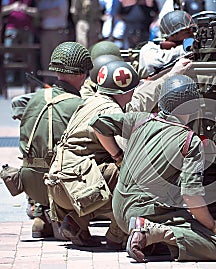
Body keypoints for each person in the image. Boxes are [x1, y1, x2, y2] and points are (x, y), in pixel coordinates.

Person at [45, 57, 193, 248]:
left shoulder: (92, 101)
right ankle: (118, 235)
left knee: (117, 174)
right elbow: (127, 150)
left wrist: (171, 74)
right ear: (123, 91)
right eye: (132, 90)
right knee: (137, 177)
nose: (133, 93)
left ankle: (77, 222)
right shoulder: (111, 109)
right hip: (76, 186)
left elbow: (136, 103)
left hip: (60, 185)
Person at [90, 74, 216, 262]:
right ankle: (149, 231)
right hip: (145, 213)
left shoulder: (140, 120)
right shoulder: (190, 141)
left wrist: (118, 157)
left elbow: (99, 124)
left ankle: (146, 236)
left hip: (119, 211)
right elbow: (191, 196)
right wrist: (214, 226)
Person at [0, 41, 93, 239]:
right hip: (60, 186)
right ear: (82, 74)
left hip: (30, 183)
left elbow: (18, 107)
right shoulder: (80, 105)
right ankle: (74, 220)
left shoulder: (34, 98)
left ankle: (41, 217)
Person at [138, 9, 196, 79]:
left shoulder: (193, 43)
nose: (192, 34)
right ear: (173, 35)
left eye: (192, 30)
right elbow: (154, 65)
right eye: (187, 32)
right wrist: (183, 49)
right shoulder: (150, 48)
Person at [1, 0, 38, 85]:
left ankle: (27, 82)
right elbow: (2, 11)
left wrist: (26, 9)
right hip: (11, 29)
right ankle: (9, 82)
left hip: (27, 29)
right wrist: (12, 7)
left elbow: (37, 12)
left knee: (27, 57)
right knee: (9, 56)